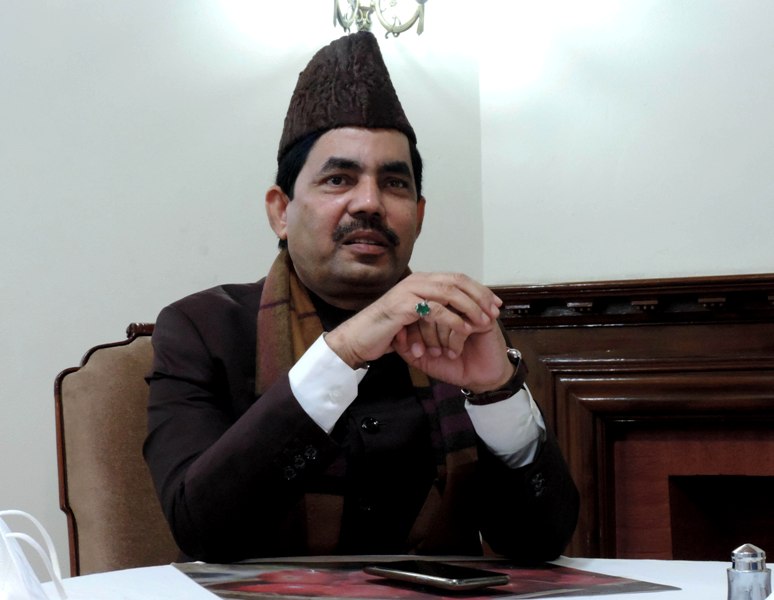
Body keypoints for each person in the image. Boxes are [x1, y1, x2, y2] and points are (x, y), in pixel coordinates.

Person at [144, 31, 579, 564]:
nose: (369, 202)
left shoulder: (457, 329)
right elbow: (202, 529)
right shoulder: (202, 329)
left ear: (419, 215)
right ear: (281, 211)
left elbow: (539, 543)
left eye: (394, 184)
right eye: (338, 179)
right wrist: (342, 353)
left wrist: (496, 393)